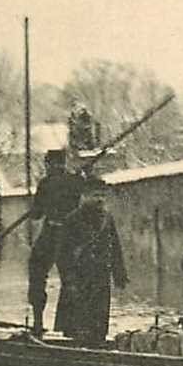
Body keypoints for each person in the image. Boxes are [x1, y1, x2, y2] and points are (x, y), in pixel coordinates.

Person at [54, 178, 128, 345]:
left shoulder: (107, 219)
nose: (100, 199)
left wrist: (119, 274)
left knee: (98, 320)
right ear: (85, 196)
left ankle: (97, 346)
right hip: (79, 277)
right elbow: (63, 254)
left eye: (103, 195)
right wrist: (68, 280)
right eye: (95, 195)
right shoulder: (72, 220)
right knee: (77, 324)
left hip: (100, 276)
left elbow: (115, 246)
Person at [26, 148, 83, 335]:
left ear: (49, 164)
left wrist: (33, 207)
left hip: (51, 233)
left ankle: (38, 322)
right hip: (71, 235)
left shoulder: (46, 183)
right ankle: (69, 327)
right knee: (70, 279)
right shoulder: (76, 181)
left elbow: (36, 214)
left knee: (37, 272)